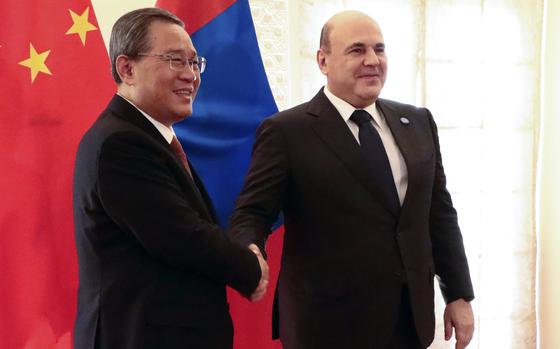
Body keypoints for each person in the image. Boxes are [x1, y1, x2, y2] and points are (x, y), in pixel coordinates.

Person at [230, 10, 474, 349]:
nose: (373, 60)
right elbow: (253, 211)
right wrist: (250, 249)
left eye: (380, 49)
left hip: (408, 319)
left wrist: (458, 293)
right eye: (357, 50)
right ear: (323, 60)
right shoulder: (287, 132)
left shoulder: (417, 122)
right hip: (326, 324)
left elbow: (439, 213)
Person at [72, 8, 268, 349]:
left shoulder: (146, 137)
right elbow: (182, 236)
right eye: (176, 60)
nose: (190, 75)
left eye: (195, 63)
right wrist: (248, 267)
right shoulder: (121, 143)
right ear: (127, 68)